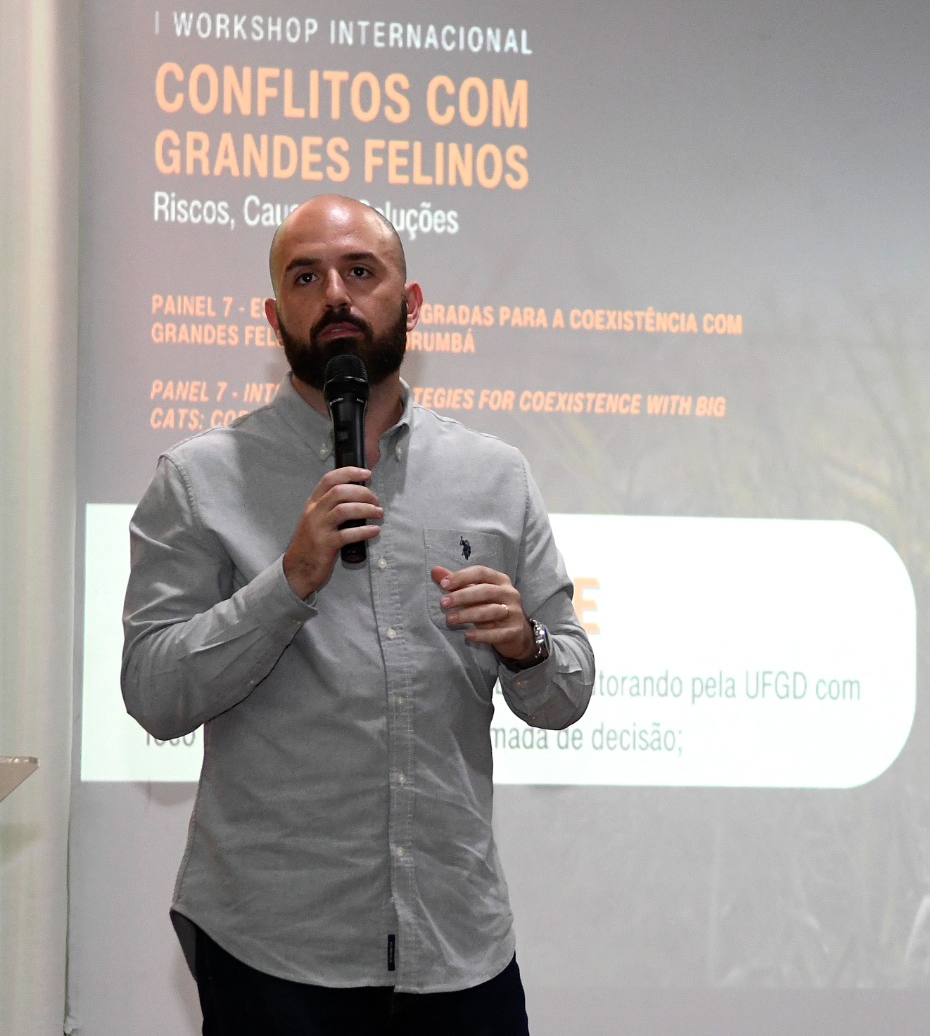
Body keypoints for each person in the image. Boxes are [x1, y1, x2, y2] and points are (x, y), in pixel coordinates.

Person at [121, 194, 594, 1034]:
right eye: (306, 277)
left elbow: (568, 692)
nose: (335, 294)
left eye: (360, 271)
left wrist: (528, 646)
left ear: (410, 305)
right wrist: (287, 583)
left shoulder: (495, 476)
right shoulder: (199, 480)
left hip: (458, 941)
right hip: (274, 948)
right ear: (275, 318)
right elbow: (155, 694)